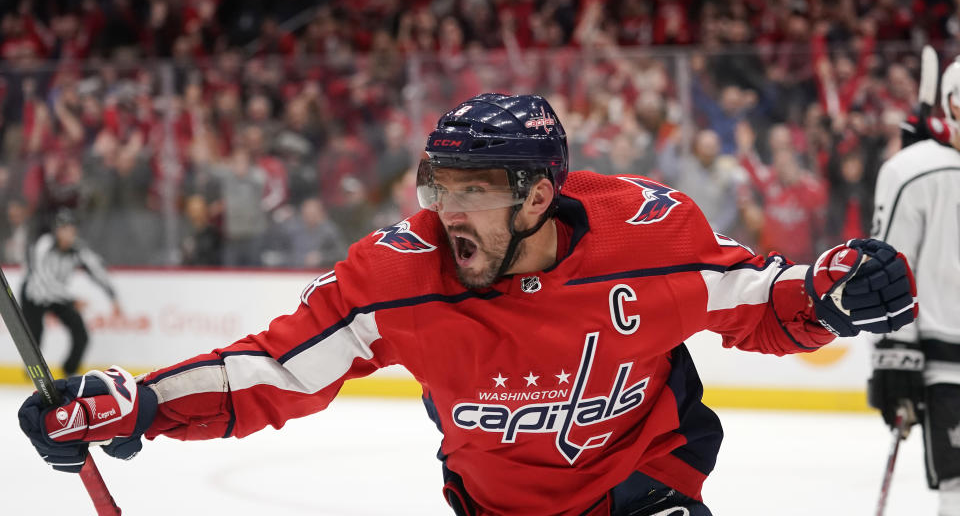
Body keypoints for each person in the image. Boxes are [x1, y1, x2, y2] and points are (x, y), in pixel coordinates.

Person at [18, 93, 918, 515]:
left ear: (537, 197)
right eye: (436, 188)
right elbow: (278, 370)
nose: (445, 213)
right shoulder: (399, 274)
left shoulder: (645, 240)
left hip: (641, 491)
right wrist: (138, 404)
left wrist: (832, 294)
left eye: (472, 192)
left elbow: (757, 301)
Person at [868, 60, 960, 516]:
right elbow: (891, 267)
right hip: (950, 367)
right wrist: (895, 357)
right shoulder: (916, 171)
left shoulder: (914, 168)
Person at [19, 208, 122, 377]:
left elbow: (97, 270)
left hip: (59, 297)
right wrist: (72, 300)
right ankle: (34, 375)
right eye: (63, 229)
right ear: (56, 231)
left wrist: (113, 296)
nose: (68, 233)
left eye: (71, 229)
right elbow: (43, 279)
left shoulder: (78, 249)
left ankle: (69, 371)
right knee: (34, 337)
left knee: (81, 335)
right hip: (34, 295)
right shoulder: (44, 244)